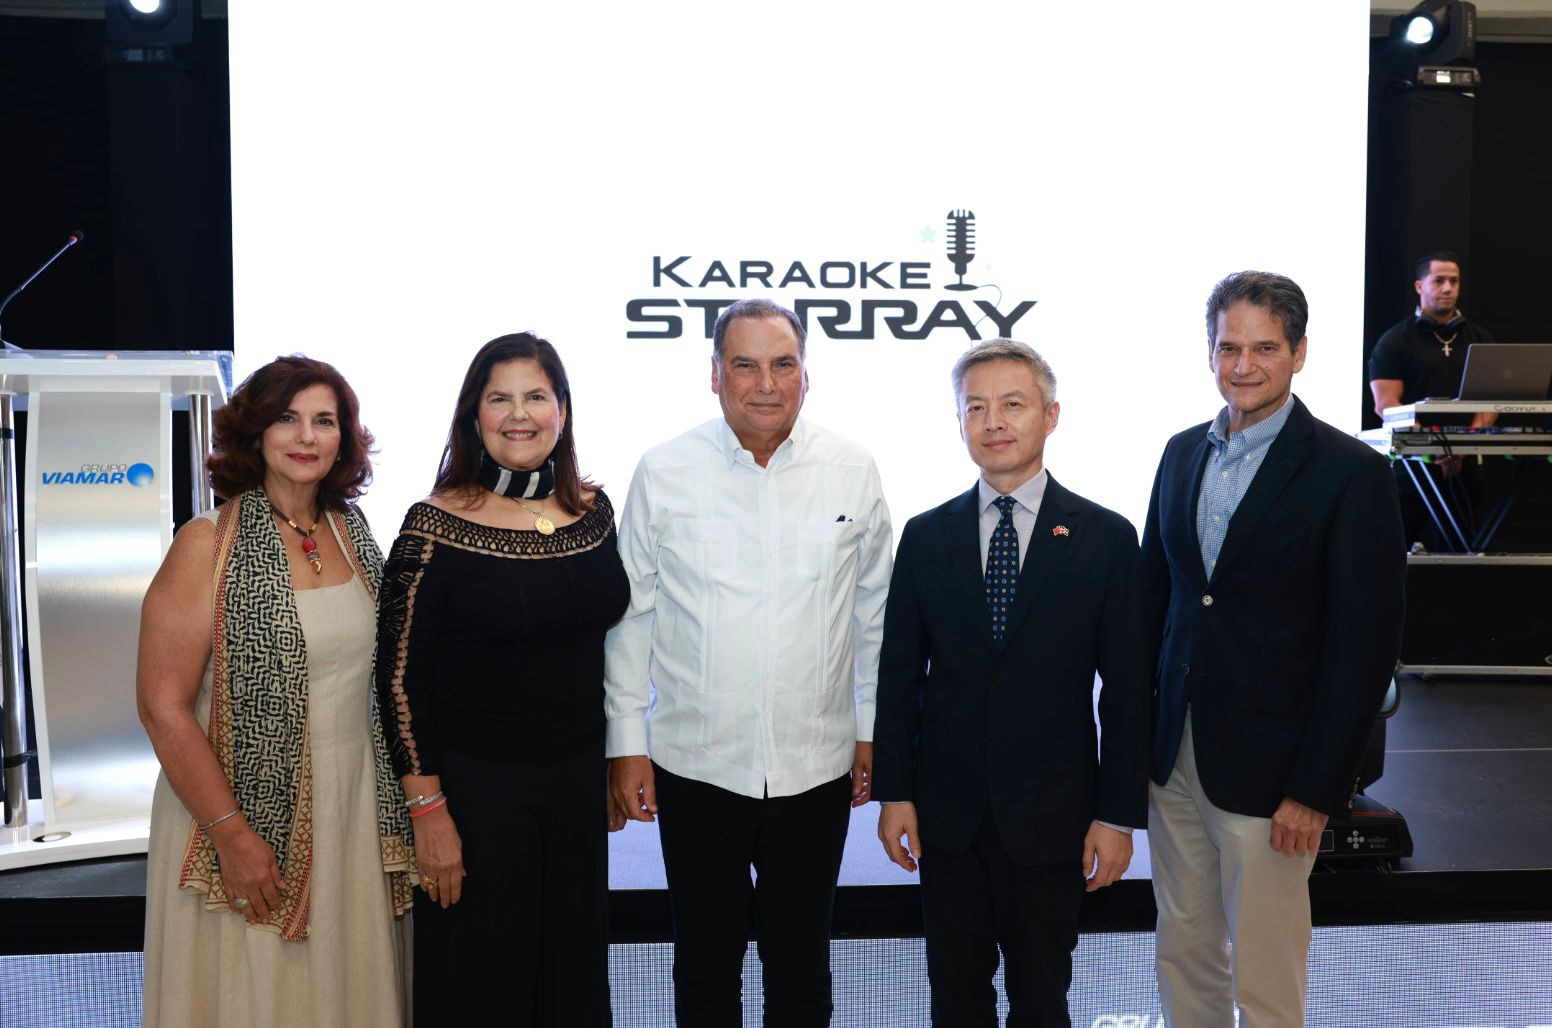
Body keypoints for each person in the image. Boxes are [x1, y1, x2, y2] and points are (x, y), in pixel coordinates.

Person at [604, 298, 892, 1026]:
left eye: (783, 364)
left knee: (802, 974)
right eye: (745, 365)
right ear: (715, 375)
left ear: (806, 375)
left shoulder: (853, 470)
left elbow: (875, 616)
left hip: (816, 767)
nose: (766, 383)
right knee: (705, 972)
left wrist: (872, 730)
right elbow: (631, 617)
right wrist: (626, 743)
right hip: (695, 767)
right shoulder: (664, 470)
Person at [1143, 271, 1406, 1027]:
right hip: (1174, 758)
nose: (1244, 365)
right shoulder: (1180, 453)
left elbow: (1364, 647)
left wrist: (1318, 788)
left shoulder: (1351, 472)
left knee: (1266, 974)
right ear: (1210, 351)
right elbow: (1157, 603)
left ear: (1299, 353)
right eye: (1229, 347)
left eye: (1264, 348)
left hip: (1275, 777)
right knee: (1183, 951)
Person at [873, 338, 1148, 1027]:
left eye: (1013, 405)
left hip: (1054, 820)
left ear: (1051, 415)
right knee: (956, 1000)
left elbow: (1126, 693)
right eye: (975, 408)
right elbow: (899, 676)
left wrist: (1117, 816)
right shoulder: (925, 536)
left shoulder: (1106, 538)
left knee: (1041, 999)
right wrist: (896, 794)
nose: (993, 422)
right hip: (948, 819)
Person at [138, 356, 413, 1028]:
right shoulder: (205, 544)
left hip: (353, 811)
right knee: (254, 994)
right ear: (255, 431)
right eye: (287, 418)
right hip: (237, 815)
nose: (306, 436)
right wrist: (234, 837)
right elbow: (162, 708)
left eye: (325, 420)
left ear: (344, 438)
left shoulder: (353, 532)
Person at [374, 332, 627, 1027]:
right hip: (476, 804)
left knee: (571, 988)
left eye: (536, 397)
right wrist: (429, 816)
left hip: (576, 795)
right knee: (484, 992)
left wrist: (615, 759)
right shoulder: (433, 525)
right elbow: (397, 682)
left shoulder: (594, 511)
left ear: (562, 411)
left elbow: (607, 646)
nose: (520, 415)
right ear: (473, 415)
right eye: (500, 399)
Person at [1368, 250, 1497, 549]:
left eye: (1454, 281)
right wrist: (1433, 448)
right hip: (1414, 466)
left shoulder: (1479, 339)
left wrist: (1462, 447)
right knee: (1394, 550)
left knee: (1465, 553)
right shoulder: (1394, 341)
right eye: (1439, 281)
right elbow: (1386, 404)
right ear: (1419, 286)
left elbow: (1490, 403)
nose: (1448, 288)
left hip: (1466, 466)